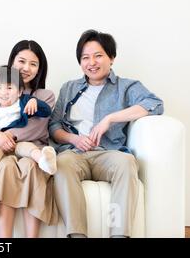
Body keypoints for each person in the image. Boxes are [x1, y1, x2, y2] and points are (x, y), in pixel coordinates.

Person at [49, 29, 164, 238]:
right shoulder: (69, 88)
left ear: (111, 58)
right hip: (74, 153)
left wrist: (109, 119)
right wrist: (74, 138)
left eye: (98, 55)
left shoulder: (127, 87)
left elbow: (155, 104)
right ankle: (77, 235)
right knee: (62, 164)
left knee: (127, 163)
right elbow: (54, 126)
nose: (91, 62)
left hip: (109, 152)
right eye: (85, 57)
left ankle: (119, 235)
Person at [0, 40, 58, 238]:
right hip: (0, 155)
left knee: (30, 166)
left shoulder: (45, 96)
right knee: (7, 166)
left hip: (31, 151)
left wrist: (5, 136)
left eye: (33, 64)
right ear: (12, 62)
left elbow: (36, 128)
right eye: (22, 61)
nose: (26, 68)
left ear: (40, 69)